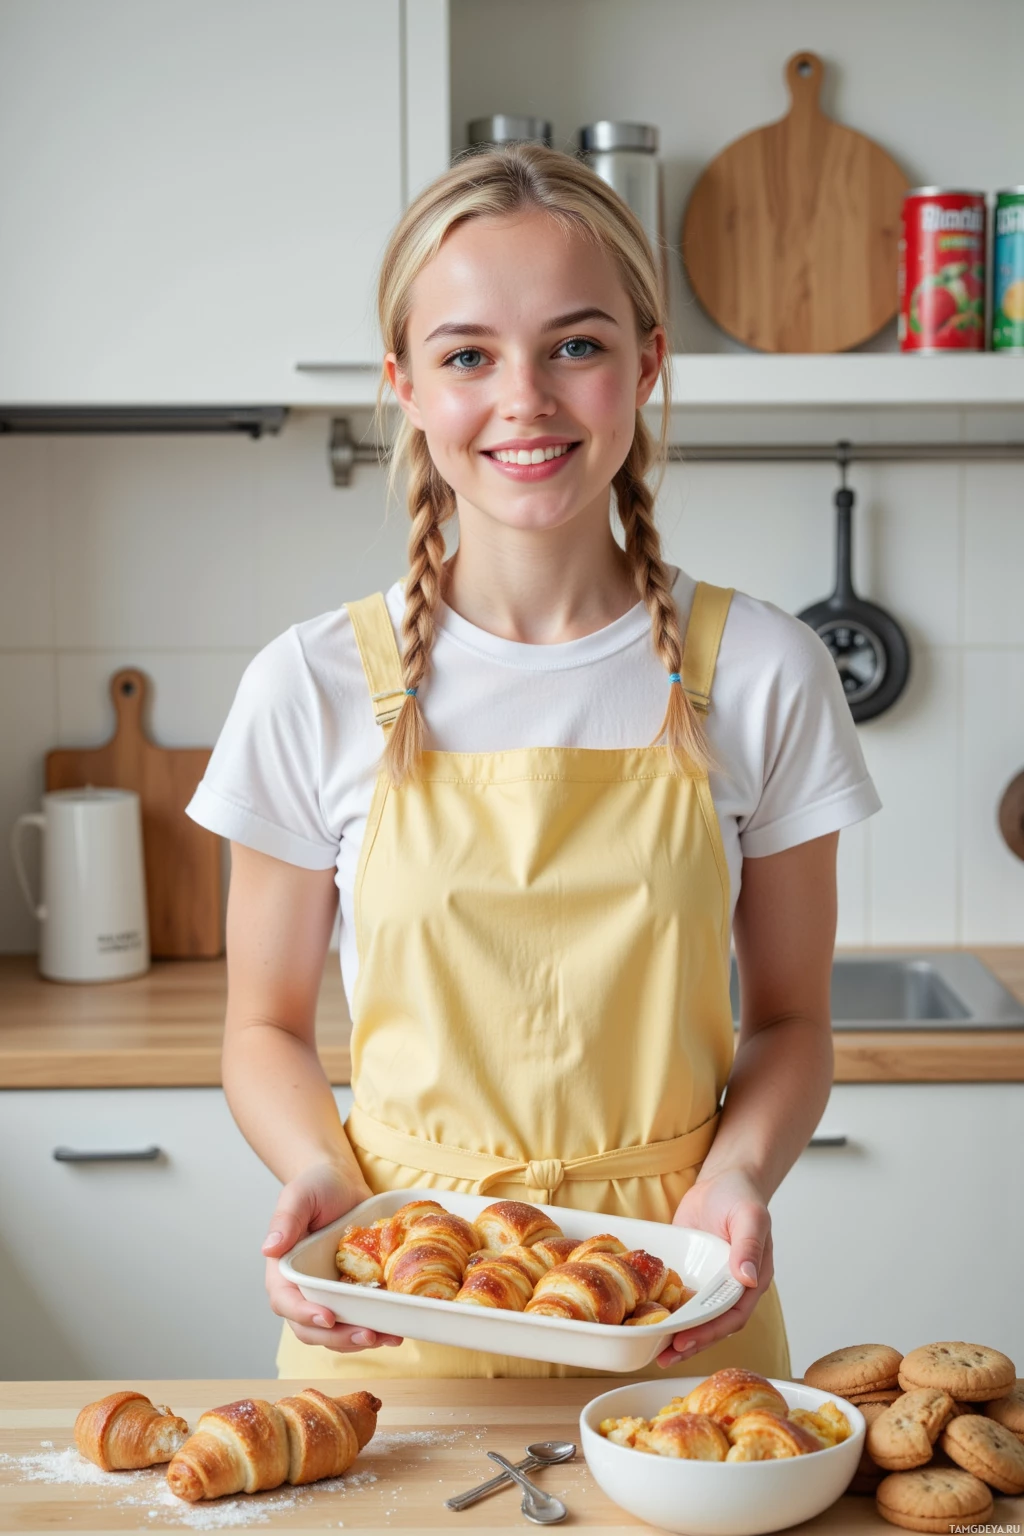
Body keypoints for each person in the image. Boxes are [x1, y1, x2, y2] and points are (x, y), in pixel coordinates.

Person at [186, 143, 880, 1383]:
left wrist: (735, 1178)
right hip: (396, 1301)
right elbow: (261, 1026)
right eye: (467, 355)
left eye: (575, 344)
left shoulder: (765, 670)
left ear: (645, 364)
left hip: (675, 1305)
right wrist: (320, 1186)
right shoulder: (309, 684)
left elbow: (791, 1020)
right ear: (403, 383)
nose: (526, 398)